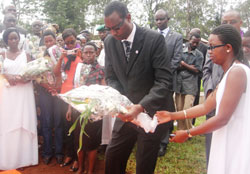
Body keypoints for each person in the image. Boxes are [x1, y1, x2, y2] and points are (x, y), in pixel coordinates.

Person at [156, 24, 250, 174]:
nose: (209, 52)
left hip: (235, 139)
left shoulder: (237, 73)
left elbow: (221, 119)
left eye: (212, 47)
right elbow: (206, 107)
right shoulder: (230, 72)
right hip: (226, 135)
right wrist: (172, 115)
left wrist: (188, 133)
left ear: (228, 47)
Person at [103, 1, 174, 174]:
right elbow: (111, 77)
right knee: (112, 158)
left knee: (144, 164)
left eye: (117, 27)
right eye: (109, 29)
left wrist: (141, 106)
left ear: (128, 17)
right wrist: (120, 102)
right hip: (126, 113)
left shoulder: (153, 39)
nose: (113, 33)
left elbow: (164, 81)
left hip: (150, 112)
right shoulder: (110, 42)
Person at [202, 9, 243, 165]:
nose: (228, 25)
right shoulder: (214, 44)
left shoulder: (245, 43)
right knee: (212, 146)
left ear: (241, 23)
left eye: (232, 22)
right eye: (224, 22)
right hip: (214, 103)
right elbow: (206, 70)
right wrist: (211, 92)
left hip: (239, 106)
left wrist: (187, 133)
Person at [0, 27, 38, 170]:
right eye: (11, 38)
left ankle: (25, 159)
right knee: (9, 123)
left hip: (24, 93)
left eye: (16, 38)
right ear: (6, 40)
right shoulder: (2, 54)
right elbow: (0, 71)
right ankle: (8, 160)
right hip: (8, 93)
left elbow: (32, 74)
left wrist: (25, 78)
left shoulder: (26, 55)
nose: (14, 40)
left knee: (23, 122)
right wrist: (6, 76)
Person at [73, 42, 106, 174]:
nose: (88, 55)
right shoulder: (78, 68)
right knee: (79, 141)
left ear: (96, 53)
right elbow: (74, 89)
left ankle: (90, 170)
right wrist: (70, 108)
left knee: (91, 143)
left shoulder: (101, 69)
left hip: (94, 111)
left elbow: (104, 89)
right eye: (85, 52)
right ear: (82, 54)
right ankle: (81, 168)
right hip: (78, 108)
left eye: (91, 52)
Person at [154, 8, 182, 156]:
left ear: (168, 19)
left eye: (161, 19)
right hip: (151, 81)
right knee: (153, 110)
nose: (159, 22)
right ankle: (151, 138)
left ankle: (163, 143)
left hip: (167, 81)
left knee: (165, 110)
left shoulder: (176, 37)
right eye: (156, 20)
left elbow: (176, 60)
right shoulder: (151, 36)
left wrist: (162, 75)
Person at [53, 28, 82, 172]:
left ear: (76, 40)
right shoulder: (63, 55)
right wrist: (60, 57)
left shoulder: (82, 53)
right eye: (67, 43)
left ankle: (77, 159)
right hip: (64, 95)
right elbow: (56, 72)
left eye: (72, 42)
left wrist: (80, 55)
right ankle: (69, 154)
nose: (70, 45)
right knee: (67, 128)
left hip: (77, 95)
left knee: (77, 129)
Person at [38, 30, 64, 165]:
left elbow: (64, 73)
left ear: (55, 40)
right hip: (45, 92)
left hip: (59, 92)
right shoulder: (40, 56)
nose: (48, 43)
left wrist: (57, 86)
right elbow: (36, 76)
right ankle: (47, 152)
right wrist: (47, 86)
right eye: (46, 41)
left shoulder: (61, 54)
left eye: (51, 40)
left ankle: (59, 152)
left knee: (58, 122)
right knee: (47, 122)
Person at [174, 33, 203, 130]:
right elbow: (176, 66)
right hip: (179, 84)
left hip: (191, 85)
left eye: (197, 43)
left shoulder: (199, 55)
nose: (195, 44)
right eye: (193, 42)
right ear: (189, 40)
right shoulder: (181, 51)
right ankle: (180, 130)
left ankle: (189, 131)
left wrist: (183, 64)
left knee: (187, 109)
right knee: (179, 108)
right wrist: (189, 66)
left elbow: (197, 70)